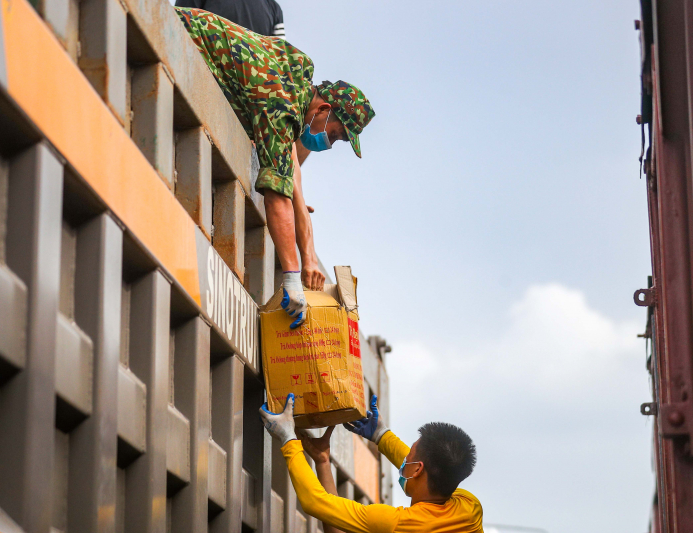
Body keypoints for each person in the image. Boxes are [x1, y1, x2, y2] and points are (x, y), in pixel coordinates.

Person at [176, 7, 375, 328]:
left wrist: (308, 255)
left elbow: (290, 180)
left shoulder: (296, 81)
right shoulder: (282, 103)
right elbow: (276, 196)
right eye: (335, 135)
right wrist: (292, 278)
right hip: (180, 36)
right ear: (324, 109)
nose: (330, 143)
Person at [259, 395, 484, 533]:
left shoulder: (396, 523)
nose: (404, 458)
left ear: (418, 469)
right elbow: (428, 464)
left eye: (409, 455)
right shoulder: (469, 508)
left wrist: (288, 438)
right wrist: (381, 436)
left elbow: (315, 503)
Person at [174, 0, 286, 38]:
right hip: (201, 78)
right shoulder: (274, 8)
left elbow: (280, 57)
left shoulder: (274, 9)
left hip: (252, 88)